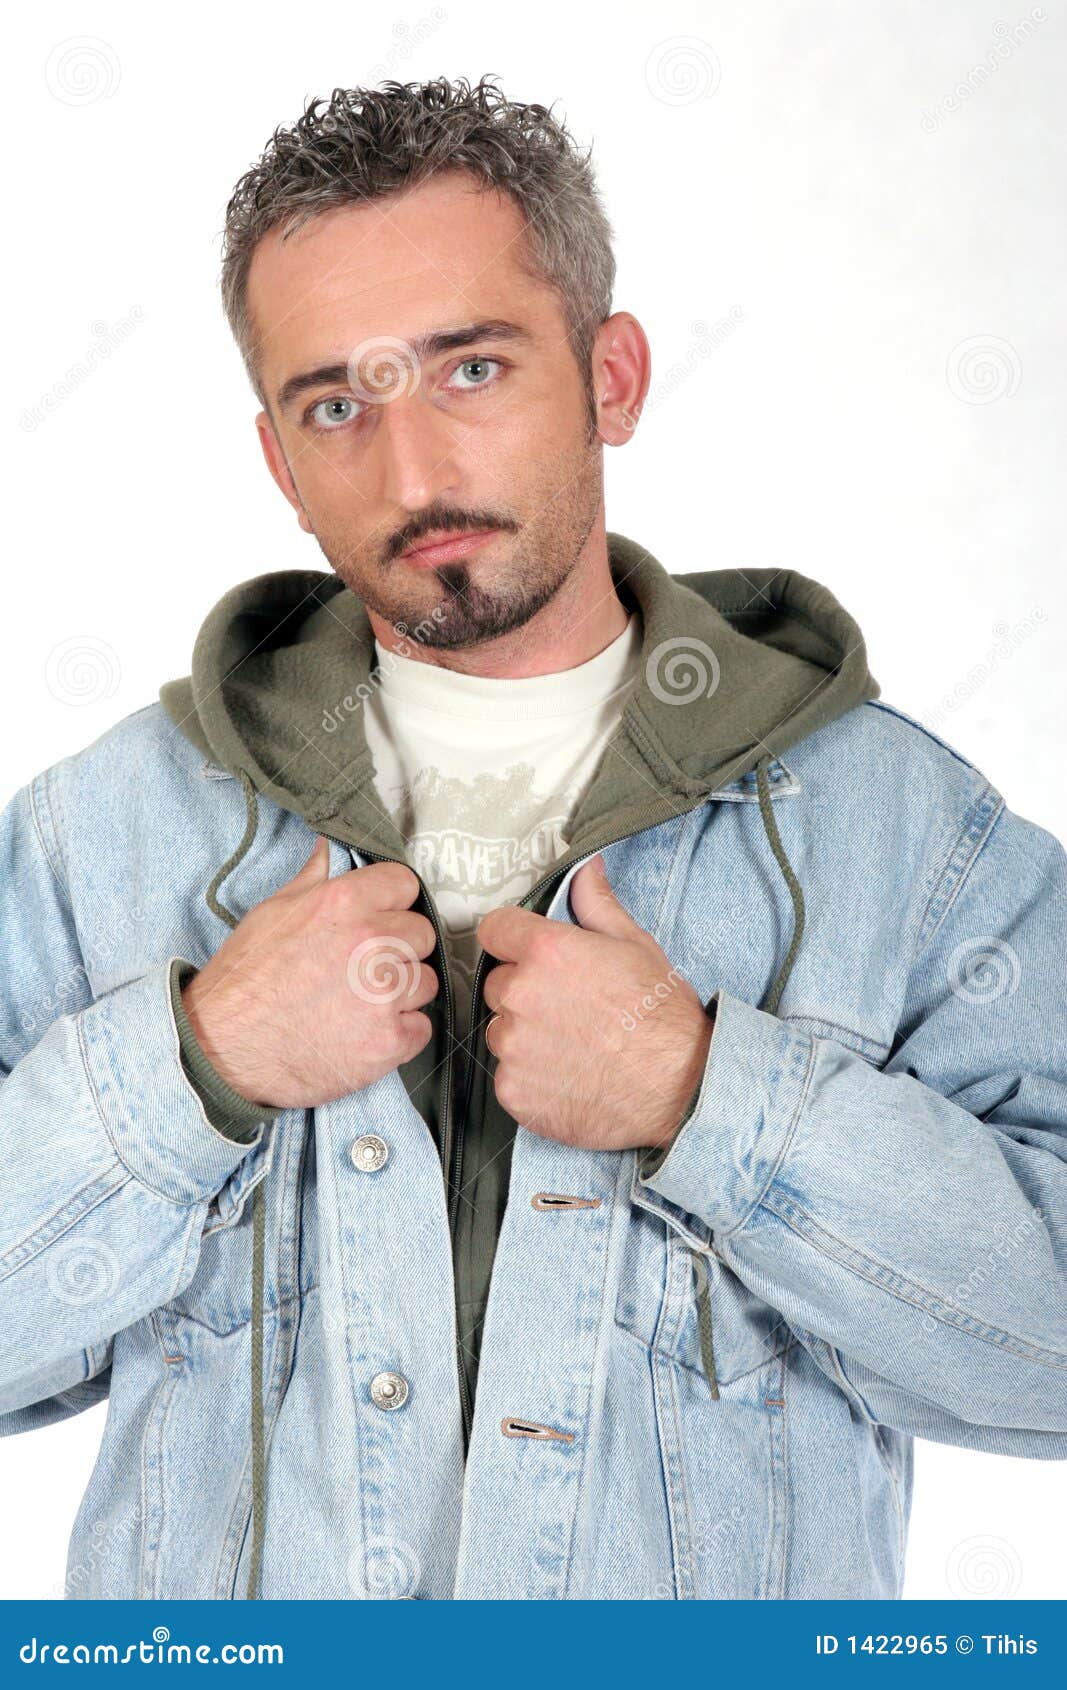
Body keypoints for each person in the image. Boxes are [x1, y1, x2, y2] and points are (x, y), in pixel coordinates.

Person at [1, 75, 1065, 1602]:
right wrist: (191, 1074)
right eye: (336, 405)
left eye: (473, 367)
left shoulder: (904, 834)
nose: (414, 472)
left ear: (613, 375)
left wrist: (714, 1098)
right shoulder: (97, 833)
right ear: (278, 462)